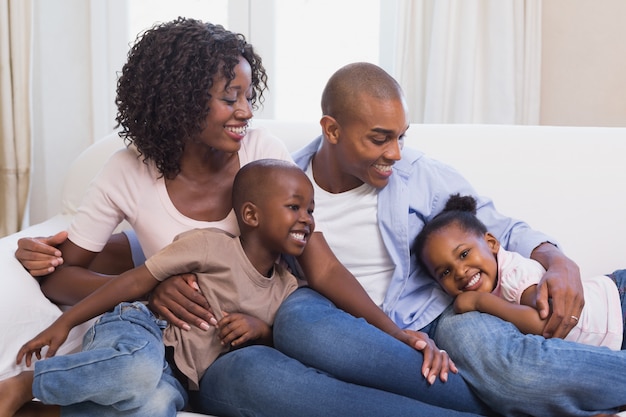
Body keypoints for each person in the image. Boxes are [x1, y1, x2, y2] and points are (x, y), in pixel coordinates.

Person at [9, 18, 495, 417]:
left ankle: (492, 404)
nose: (245, 111)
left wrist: (394, 333)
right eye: (229, 97)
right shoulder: (127, 171)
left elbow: (318, 264)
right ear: (179, 101)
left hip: (269, 320)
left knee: (308, 330)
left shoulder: (263, 154)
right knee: (159, 397)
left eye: (247, 95)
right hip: (208, 356)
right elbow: (63, 273)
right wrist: (148, 288)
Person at [2, 159, 311, 416]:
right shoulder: (208, 245)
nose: (306, 220)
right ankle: (27, 383)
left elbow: (280, 344)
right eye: (294, 207)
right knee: (137, 369)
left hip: (181, 375)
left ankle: (40, 412)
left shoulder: (287, 288)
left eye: (310, 210)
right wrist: (66, 323)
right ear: (251, 215)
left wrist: (260, 330)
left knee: (156, 407)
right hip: (144, 326)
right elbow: (136, 280)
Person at [414, 193, 626, 350]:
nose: (459, 272)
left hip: (617, 305)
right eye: (445, 273)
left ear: (491, 243)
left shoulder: (515, 274)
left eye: (464, 254)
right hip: (611, 335)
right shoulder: (491, 286)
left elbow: (543, 323)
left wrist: (480, 302)